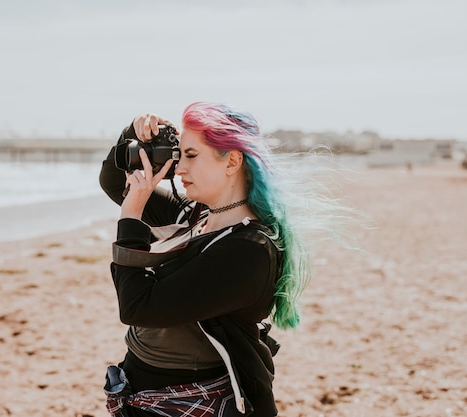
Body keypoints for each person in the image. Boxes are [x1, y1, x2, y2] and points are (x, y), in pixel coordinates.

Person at [99, 102, 349, 417]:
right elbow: (113, 183)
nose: (179, 169)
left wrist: (132, 216)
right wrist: (131, 134)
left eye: (191, 156)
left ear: (231, 161)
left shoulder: (248, 249)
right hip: (147, 391)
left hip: (190, 403)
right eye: (180, 155)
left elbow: (138, 307)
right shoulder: (197, 215)